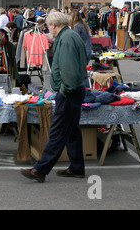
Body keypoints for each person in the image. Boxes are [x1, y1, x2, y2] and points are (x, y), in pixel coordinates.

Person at [20, 12, 87, 183]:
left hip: (70, 91)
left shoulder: (65, 39)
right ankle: (76, 167)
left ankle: (40, 169)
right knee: (72, 131)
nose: (48, 29)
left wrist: (64, 90)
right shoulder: (71, 36)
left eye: (49, 26)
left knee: (58, 131)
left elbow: (69, 70)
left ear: (54, 25)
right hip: (75, 90)